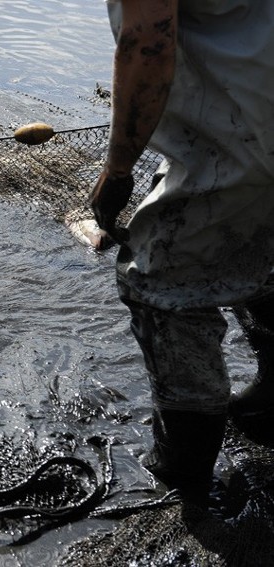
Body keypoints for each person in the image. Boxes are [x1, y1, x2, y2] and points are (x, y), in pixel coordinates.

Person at [89, 0, 274, 501]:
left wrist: (118, 168)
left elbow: (147, 43)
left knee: (158, 281)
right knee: (264, 253)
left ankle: (184, 472)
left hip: (248, 136)